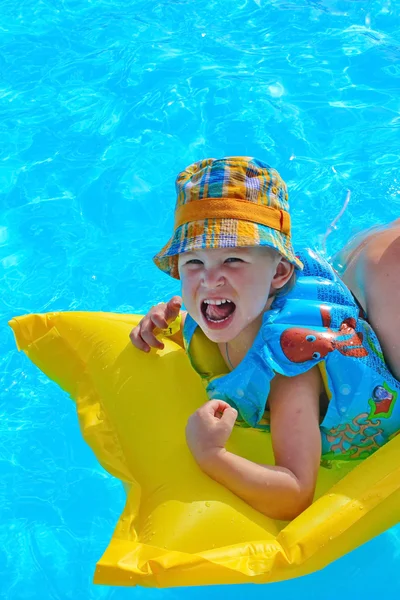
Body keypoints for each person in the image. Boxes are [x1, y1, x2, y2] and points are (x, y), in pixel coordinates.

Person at [129, 157, 400, 521]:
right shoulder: (219, 306)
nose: (210, 280)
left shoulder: (290, 369)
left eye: (234, 260)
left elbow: (294, 494)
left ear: (279, 274)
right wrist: (158, 326)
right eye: (194, 263)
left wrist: (213, 456)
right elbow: (201, 334)